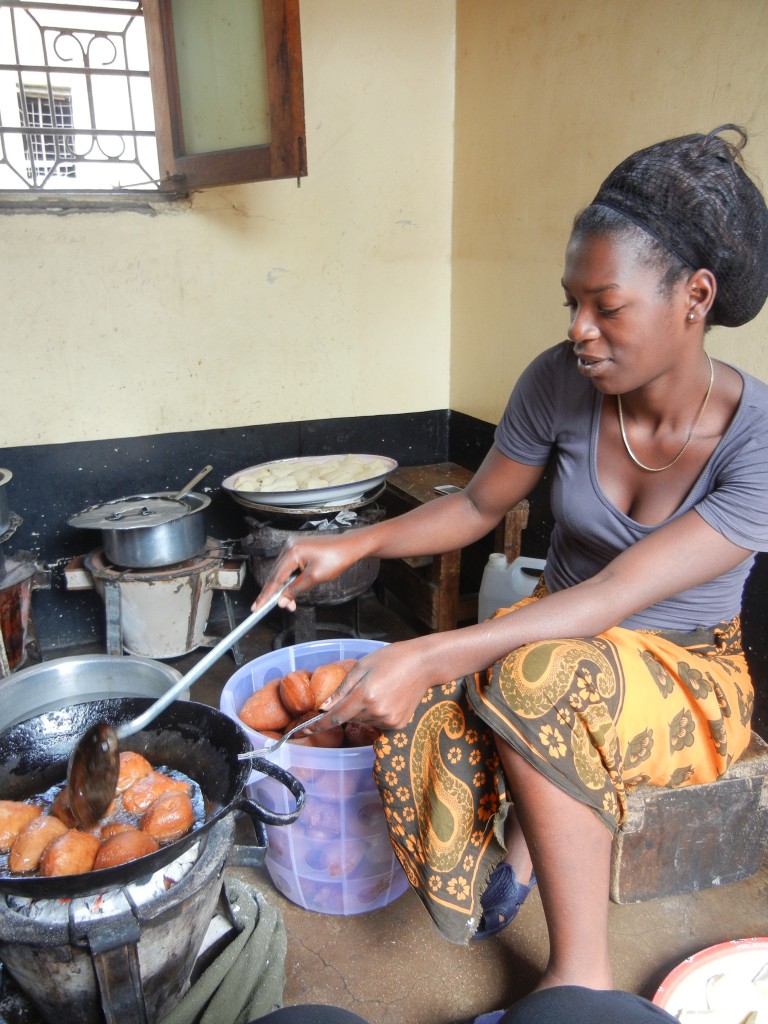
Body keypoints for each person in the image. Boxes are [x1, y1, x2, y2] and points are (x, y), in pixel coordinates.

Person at [253, 125, 768, 997]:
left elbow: (617, 592)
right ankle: (520, 850)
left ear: (695, 297)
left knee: (515, 676)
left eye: (607, 306)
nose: (579, 329)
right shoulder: (558, 381)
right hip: (545, 640)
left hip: (686, 671)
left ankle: (580, 982)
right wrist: (357, 540)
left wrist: (429, 651)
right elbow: (479, 505)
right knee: (419, 713)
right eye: (570, 301)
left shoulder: (755, 443)